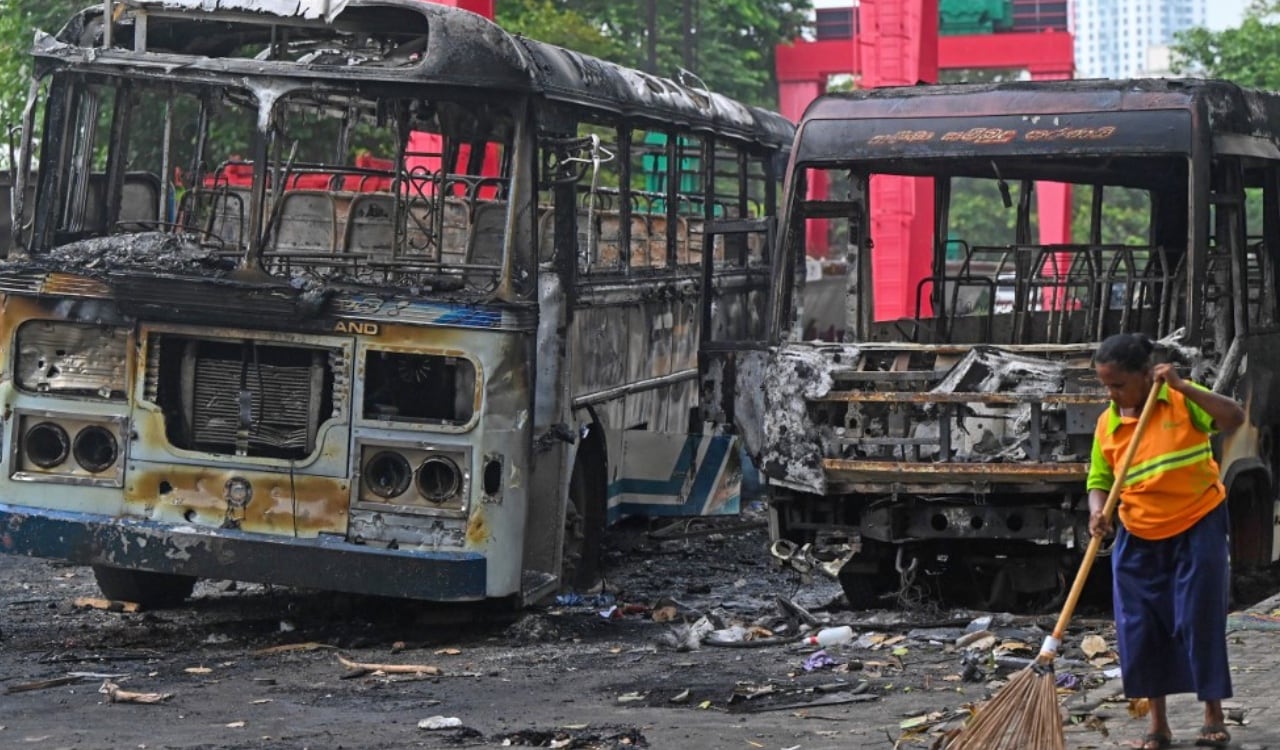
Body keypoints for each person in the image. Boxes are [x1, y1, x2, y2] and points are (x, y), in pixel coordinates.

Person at [1086, 332, 1245, 750]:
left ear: (1146, 374)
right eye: (1106, 385)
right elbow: (1099, 480)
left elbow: (1234, 417)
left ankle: (1213, 714)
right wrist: (1097, 512)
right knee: (1141, 628)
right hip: (1138, 534)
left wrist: (1183, 386)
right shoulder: (1107, 424)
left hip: (1197, 522)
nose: (1111, 393)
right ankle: (1158, 725)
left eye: (1118, 384)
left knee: (1198, 618)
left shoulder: (1180, 400)